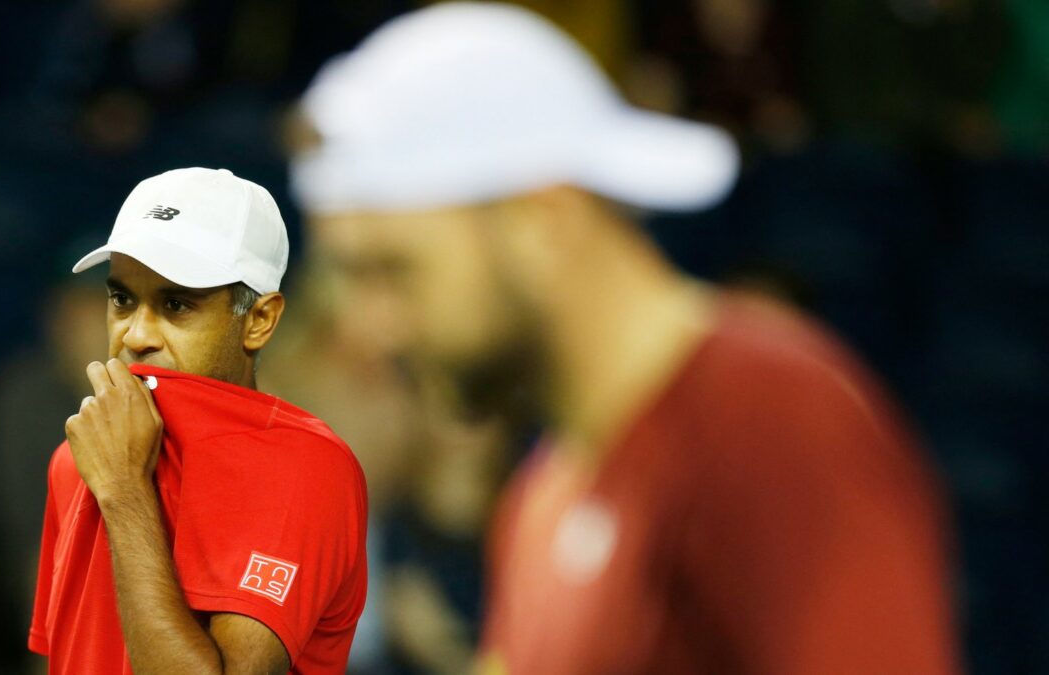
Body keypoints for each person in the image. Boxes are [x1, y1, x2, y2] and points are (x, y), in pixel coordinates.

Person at [290, 4, 959, 674]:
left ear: (542, 219)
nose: (368, 329)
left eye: (392, 270)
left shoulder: (771, 419)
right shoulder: (544, 498)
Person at [28, 167, 368, 675]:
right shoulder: (78, 459)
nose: (136, 335)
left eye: (176, 305)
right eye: (122, 299)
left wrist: (124, 493)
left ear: (259, 320)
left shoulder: (305, 466)